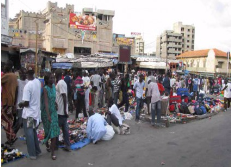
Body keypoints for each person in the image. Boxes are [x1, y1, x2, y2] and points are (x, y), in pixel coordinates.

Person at [18, 67, 41, 160]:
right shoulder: (38, 82)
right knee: (33, 132)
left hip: (29, 115)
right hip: (35, 114)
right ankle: (37, 151)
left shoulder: (28, 86)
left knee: (29, 134)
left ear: (27, 75)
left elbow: (26, 103)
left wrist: (20, 104)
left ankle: (32, 154)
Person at [41, 72, 60, 160]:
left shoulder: (53, 87)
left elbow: (53, 98)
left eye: (53, 78)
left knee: (54, 132)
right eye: (51, 78)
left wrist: (56, 103)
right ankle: (47, 144)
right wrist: (48, 116)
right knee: (48, 130)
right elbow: (46, 102)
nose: (52, 79)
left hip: (54, 112)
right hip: (46, 113)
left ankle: (53, 152)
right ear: (46, 80)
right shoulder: (45, 89)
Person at [1, 60, 18, 146]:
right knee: (9, 121)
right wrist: (15, 103)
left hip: (6, 102)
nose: (4, 67)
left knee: (4, 120)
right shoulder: (14, 76)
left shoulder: (7, 76)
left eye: (5, 65)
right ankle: (10, 139)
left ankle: (12, 136)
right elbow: (17, 90)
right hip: (11, 102)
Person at [55, 69, 71, 152]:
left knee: (58, 129)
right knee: (65, 129)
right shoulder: (62, 83)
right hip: (62, 110)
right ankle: (67, 145)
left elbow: (64, 96)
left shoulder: (60, 83)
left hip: (61, 111)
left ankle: (56, 145)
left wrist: (64, 110)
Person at [14, 68, 28, 134]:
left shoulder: (28, 82)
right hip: (19, 104)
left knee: (26, 121)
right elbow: (16, 93)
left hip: (26, 105)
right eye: (22, 73)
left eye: (25, 73)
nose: (24, 75)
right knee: (19, 121)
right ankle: (13, 134)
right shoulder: (17, 82)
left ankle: (27, 135)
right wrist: (15, 104)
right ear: (20, 74)